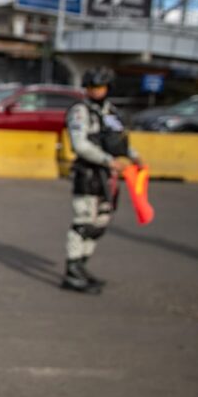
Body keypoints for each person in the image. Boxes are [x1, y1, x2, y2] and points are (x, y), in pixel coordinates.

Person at [63, 66, 141, 294]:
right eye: (92, 87)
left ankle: (83, 265)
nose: (96, 91)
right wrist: (108, 160)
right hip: (88, 173)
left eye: (100, 87)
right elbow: (80, 145)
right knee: (83, 221)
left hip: (108, 177)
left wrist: (134, 157)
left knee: (100, 222)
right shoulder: (80, 112)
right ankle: (72, 269)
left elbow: (119, 141)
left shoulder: (111, 113)